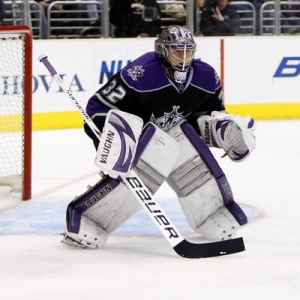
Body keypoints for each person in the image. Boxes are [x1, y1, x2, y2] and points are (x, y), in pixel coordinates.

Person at [60, 25, 257, 249]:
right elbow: (97, 108)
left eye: (187, 51)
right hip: (139, 141)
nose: (183, 57)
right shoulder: (140, 73)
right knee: (151, 161)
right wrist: (112, 140)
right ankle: (88, 219)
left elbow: (209, 112)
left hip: (177, 133)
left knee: (186, 146)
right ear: (163, 51)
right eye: (177, 51)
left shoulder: (207, 76)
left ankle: (214, 214)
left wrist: (222, 130)